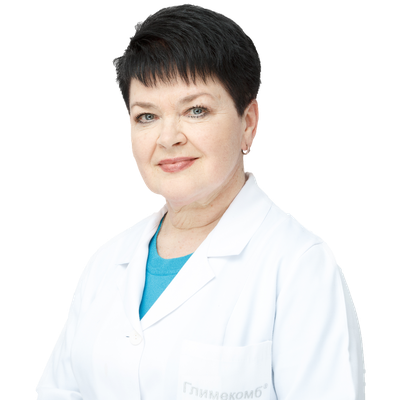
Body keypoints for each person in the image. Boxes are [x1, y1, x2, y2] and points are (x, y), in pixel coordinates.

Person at [35, 4, 366, 399]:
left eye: (196, 110)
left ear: (248, 123)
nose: (168, 138)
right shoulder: (105, 263)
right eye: (146, 116)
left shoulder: (299, 266)